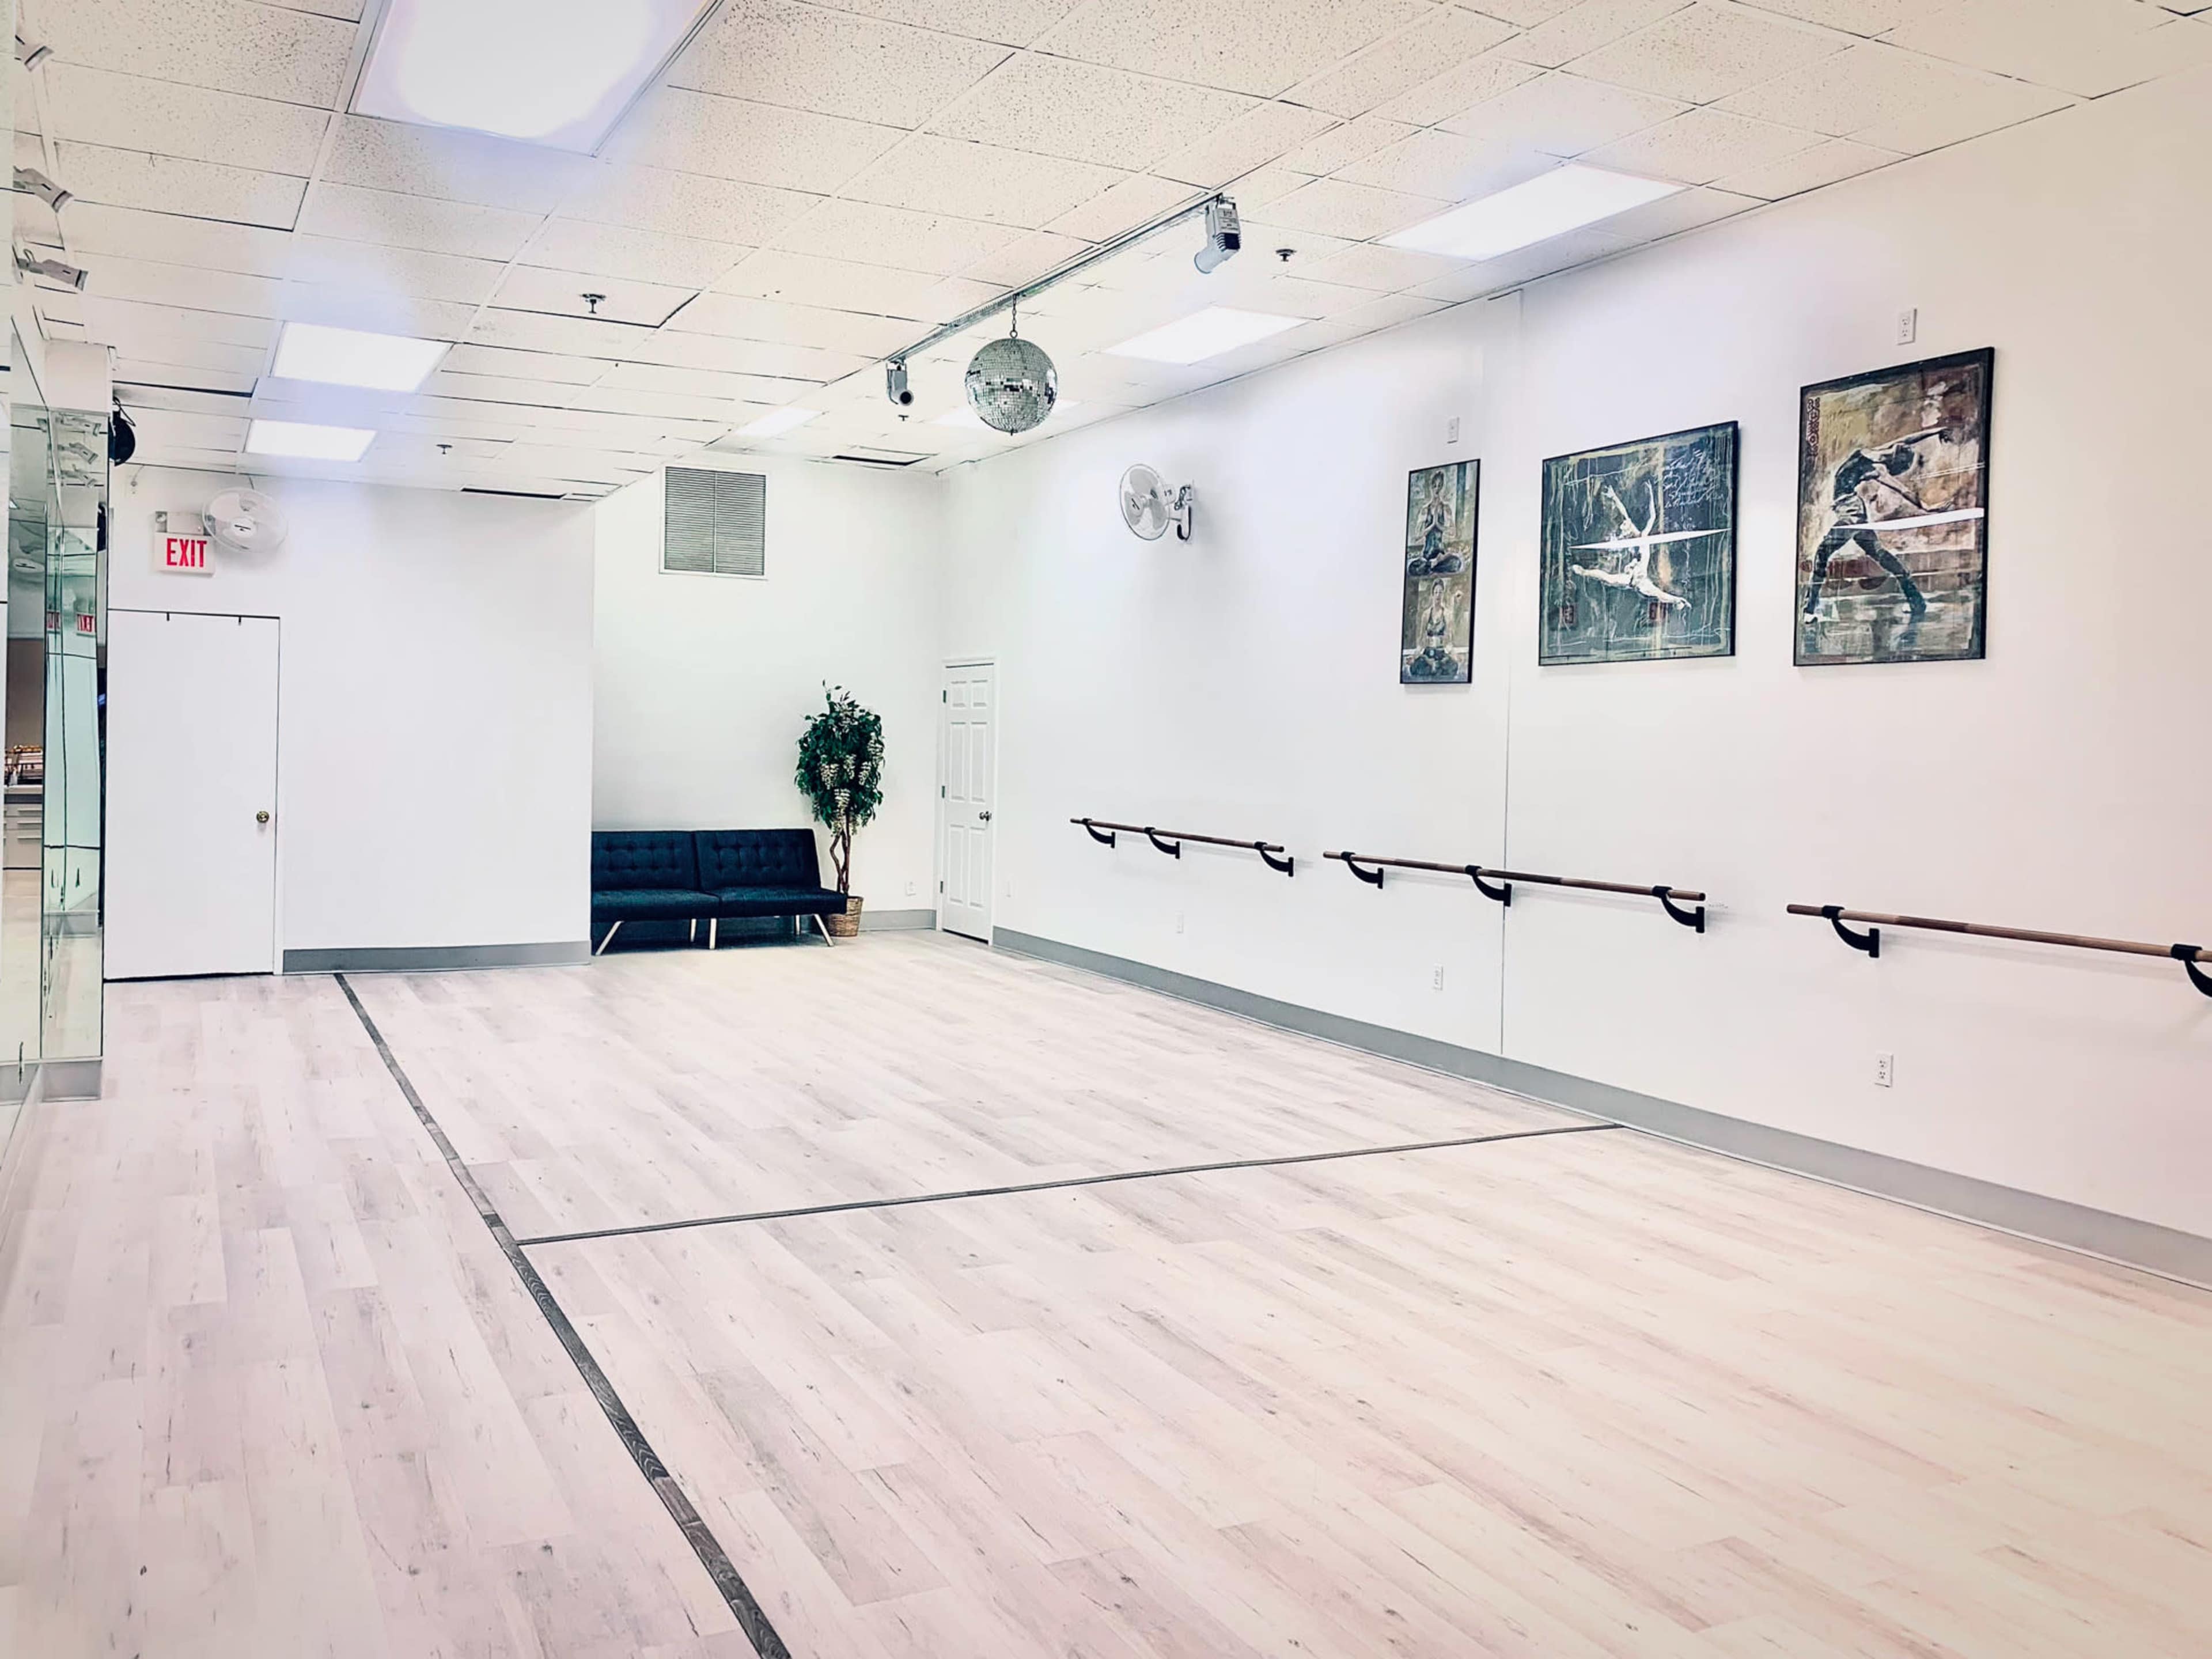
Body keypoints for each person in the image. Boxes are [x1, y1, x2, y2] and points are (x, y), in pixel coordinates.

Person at [1802, 427, 1945, 622]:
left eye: (1902, 451)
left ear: (1895, 460)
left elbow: (1904, 491)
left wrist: (1927, 508)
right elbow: (1910, 437)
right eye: (1903, 448)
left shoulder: (1878, 469)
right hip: (1851, 510)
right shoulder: (1876, 452)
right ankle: (1917, 601)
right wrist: (1937, 431)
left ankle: (1809, 609)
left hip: (1852, 512)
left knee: (1823, 553)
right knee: (1880, 554)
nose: (1902, 446)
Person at [1571, 485, 1689, 611]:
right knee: (1611, 579)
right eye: (1624, 526)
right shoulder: (1630, 532)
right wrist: (1614, 496)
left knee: (1612, 580)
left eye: (1626, 526)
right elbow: (1623, 513)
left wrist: (1650, 495)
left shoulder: (1642, 536)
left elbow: (1652, 517)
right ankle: (1585, 572)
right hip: (1634, 572)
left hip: (1637, 580)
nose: (1624, 526)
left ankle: (1584, 572)